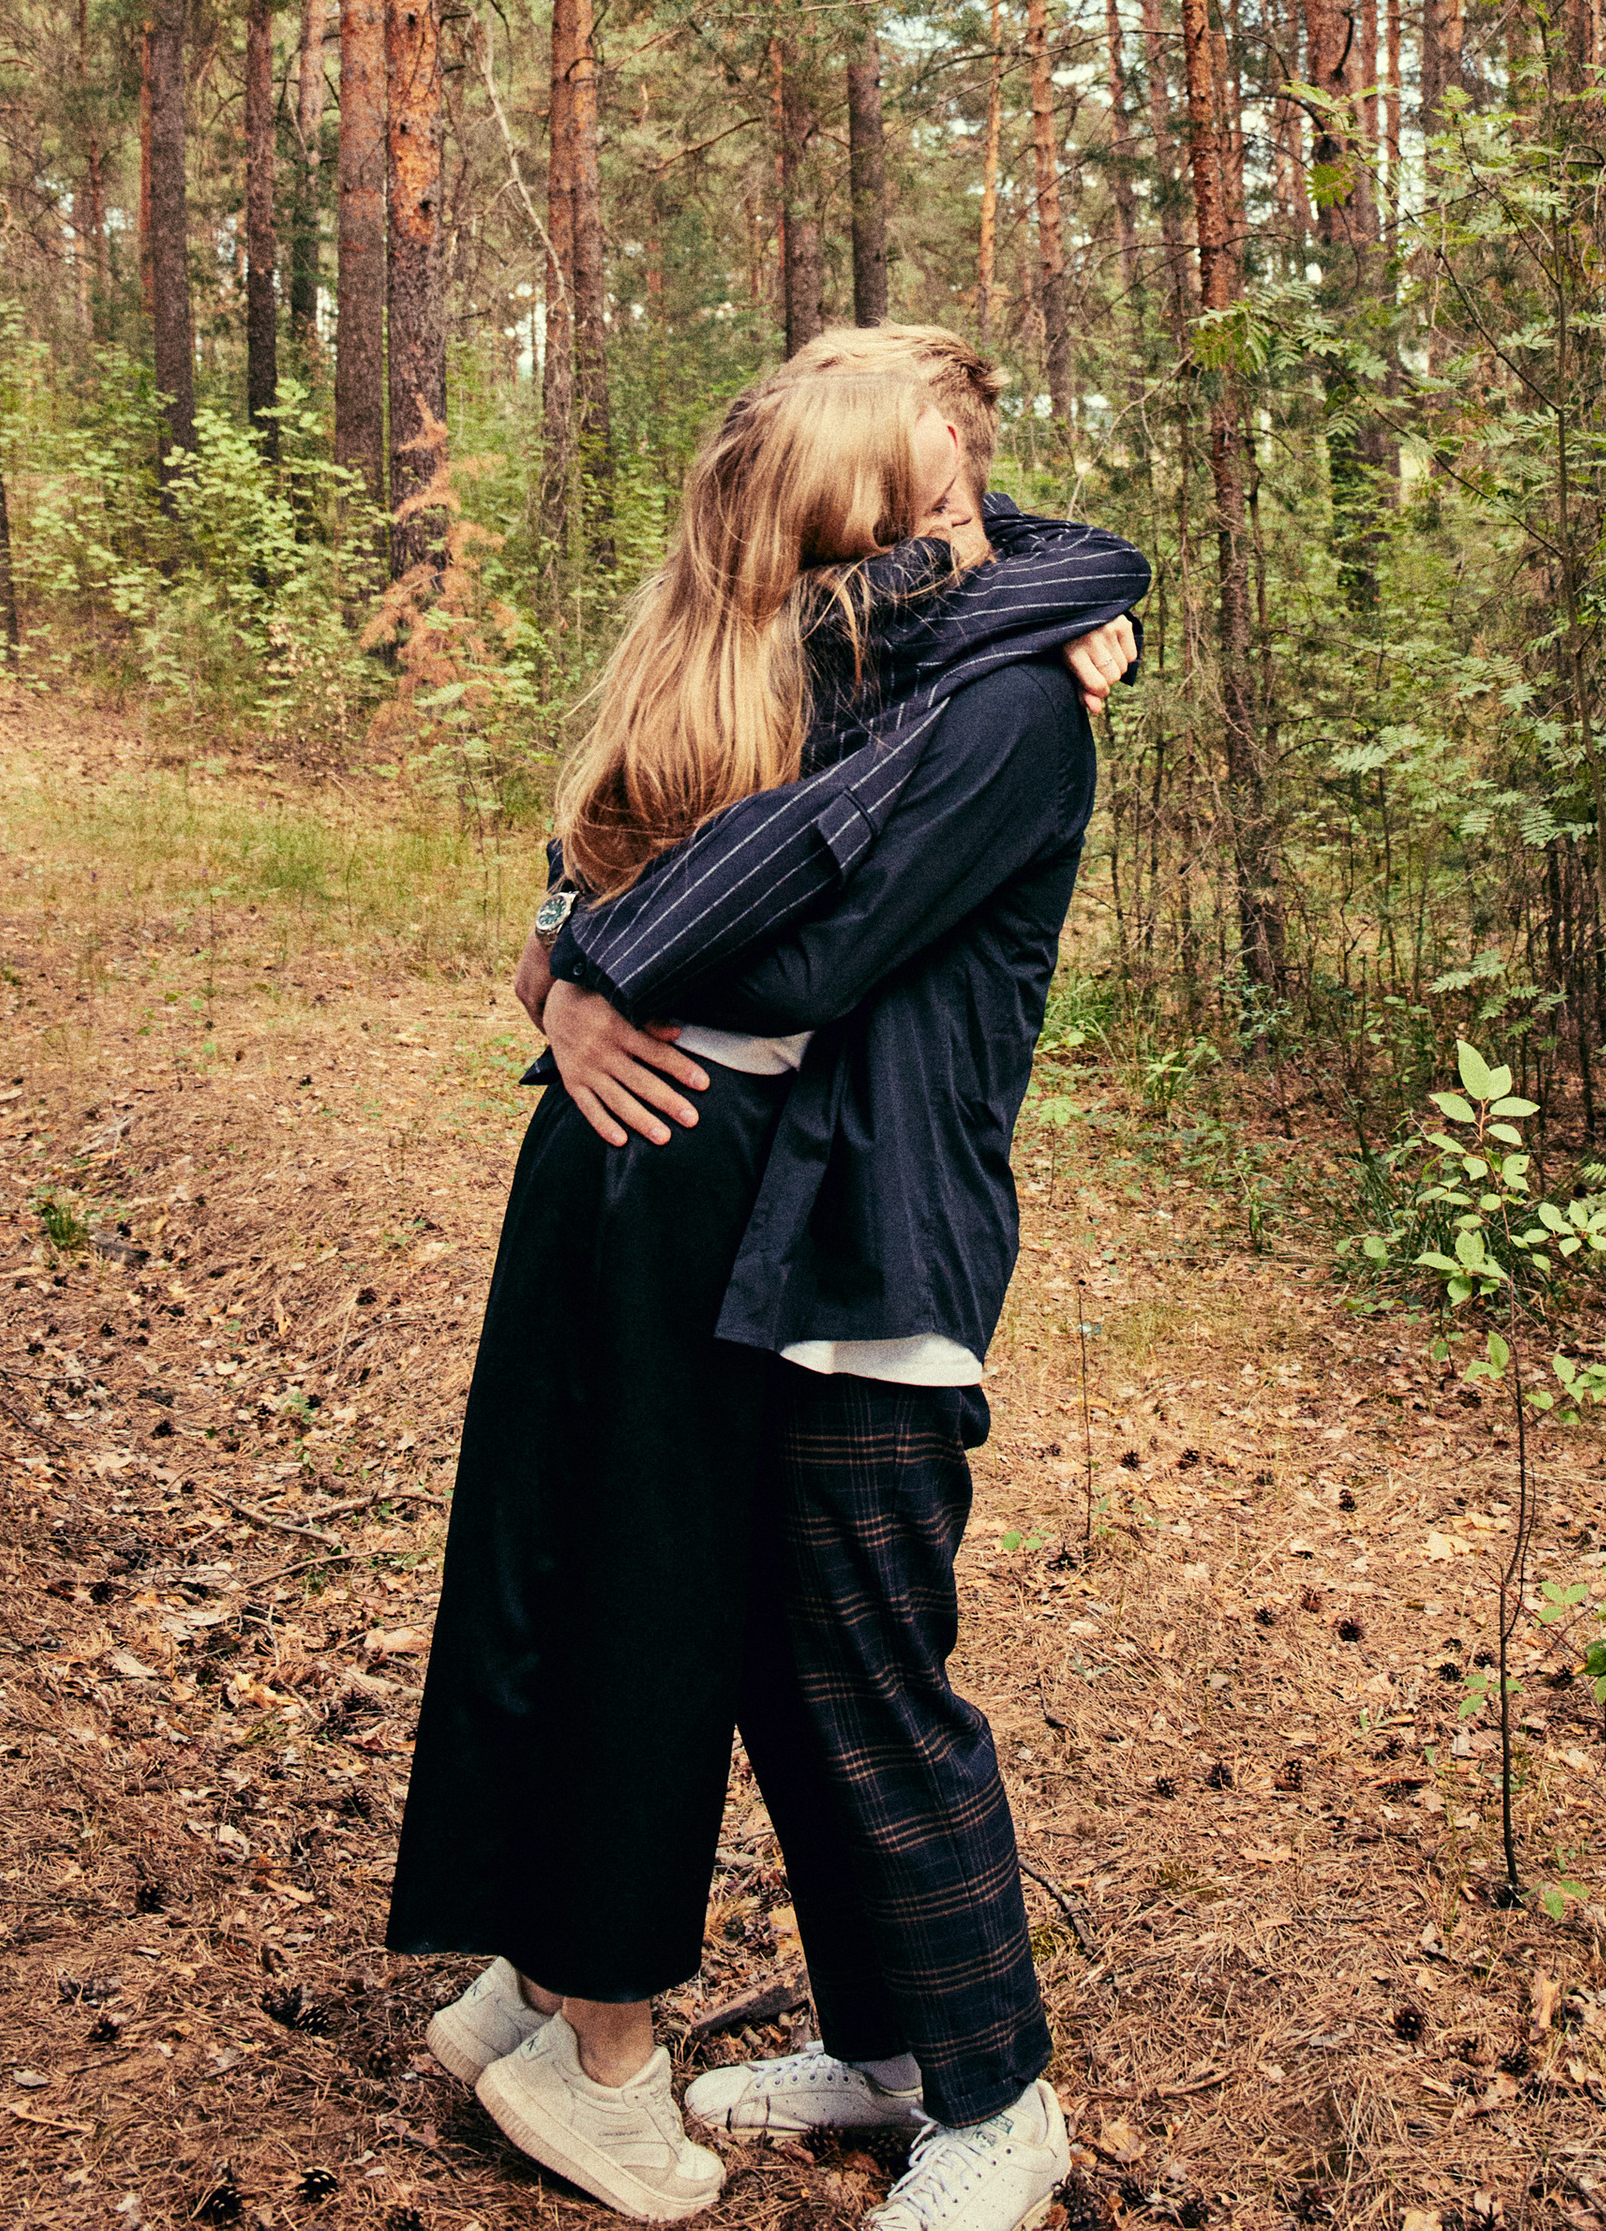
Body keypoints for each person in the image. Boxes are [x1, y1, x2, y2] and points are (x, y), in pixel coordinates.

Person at [392, 335, 1143, 2231]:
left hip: (881, 1247)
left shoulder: (994, 711)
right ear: (859, 531)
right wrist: (568, 966)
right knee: (785, 1669)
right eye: (945, 503)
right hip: (772, 1231)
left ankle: (998, 2100)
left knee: (869, 1673)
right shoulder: (852, 680)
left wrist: (591, 963)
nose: (983, 536)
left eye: (984, 502)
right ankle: (894, 2055)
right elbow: (646, 857)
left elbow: (805, 956)